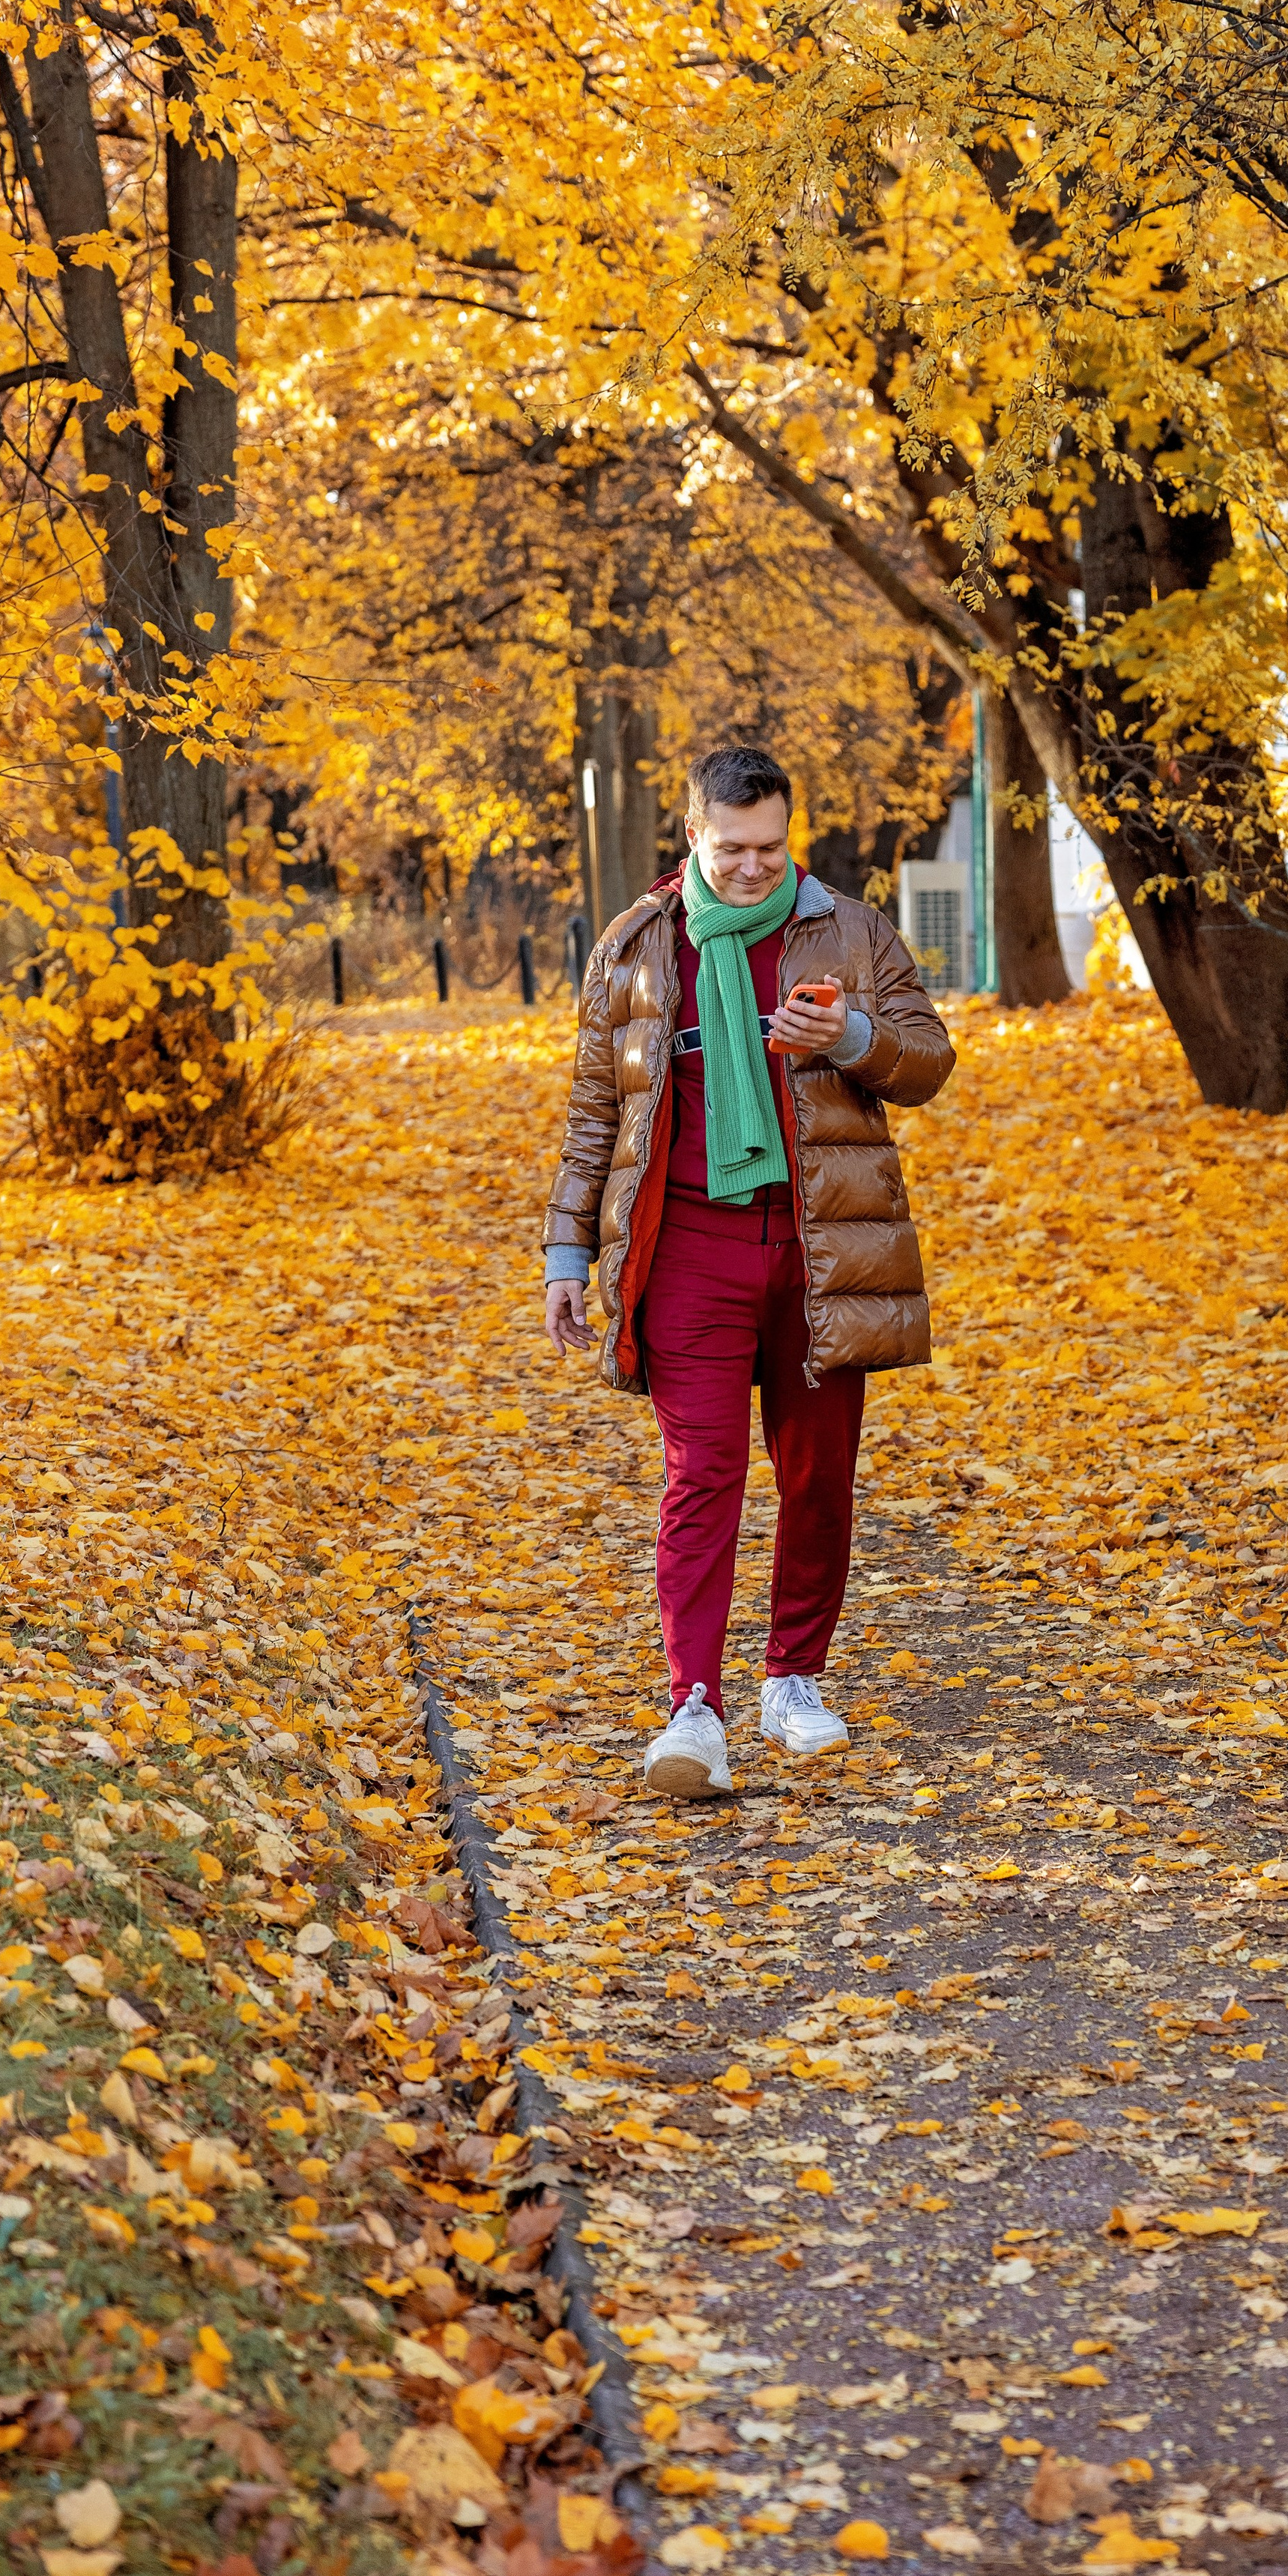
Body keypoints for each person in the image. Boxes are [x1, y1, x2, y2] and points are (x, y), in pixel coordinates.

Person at [542, 745, 956, 1798]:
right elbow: (598, 1114)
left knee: (820, 1477)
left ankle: (794, 1679)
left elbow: (929, 1058)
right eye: (733, 849)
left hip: (824, 1248)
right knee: (702, 1475)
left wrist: (854, 1035)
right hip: (690, 1250)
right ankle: (695, 1707)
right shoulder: (636, 949)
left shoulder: (849, 930)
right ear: (692, 836)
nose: (755, 867)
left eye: (773, 847)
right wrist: (565, 1250)